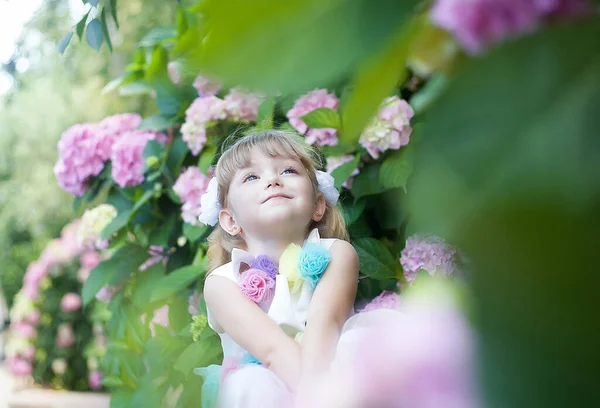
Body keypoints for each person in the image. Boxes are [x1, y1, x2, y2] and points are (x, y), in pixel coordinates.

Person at [196, 130, 359, 407]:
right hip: (267, 393)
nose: (273, 180)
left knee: (361, 341)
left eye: (288, 170)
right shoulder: (222, 283)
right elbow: (273, 350)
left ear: (318, 206)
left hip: (329, 379)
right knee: (250, 384)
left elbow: (325, 325)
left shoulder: (337, 253)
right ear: (230, 220)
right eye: (251, 177)